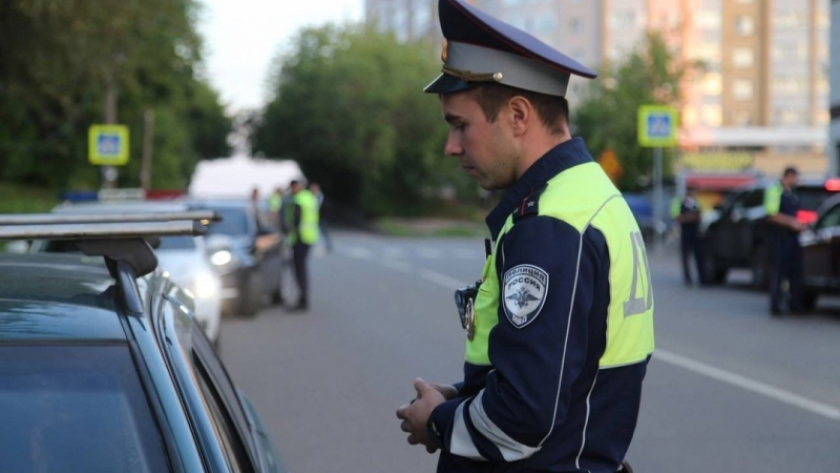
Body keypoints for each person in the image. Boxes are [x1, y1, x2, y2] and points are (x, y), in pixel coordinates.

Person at [395, 1, 655, 472]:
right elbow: (564, 378)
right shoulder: (589, 194)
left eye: (460, 126)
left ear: (517, 115)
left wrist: (436, 421)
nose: (451, 147)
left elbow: (523, 417)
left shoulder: (549, 224)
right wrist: (464, 396)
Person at [765, 167, 806, 315]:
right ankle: (775, 305)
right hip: (780, 237)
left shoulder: (793, 193)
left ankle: (794, 304)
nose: (796, 181)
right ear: (787, 176)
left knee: (795, 272)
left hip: (794, 238)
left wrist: (801, 224)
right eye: (794, 178)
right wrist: (792, 222)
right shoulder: (775, 190)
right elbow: (772, 214)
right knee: (779, 272)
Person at [284, 180, 320, 311]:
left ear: (295, 187)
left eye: (292, 188)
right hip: (310, 237)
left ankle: (302, 300)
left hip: (300, 238)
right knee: (302, 268)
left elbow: (296, 221)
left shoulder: (298, 200)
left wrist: (288, 230)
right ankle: (303, 298)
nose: (291, 191)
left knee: (299, 270)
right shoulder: (310, 198)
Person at [670, 189, 706, 286]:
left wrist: (692, 217)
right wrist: (688, 218)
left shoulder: (697, 203)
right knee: (686, 257)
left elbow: (700, 216)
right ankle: (688, 279)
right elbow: (676, 217)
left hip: (696, 233)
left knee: (699, 256)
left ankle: (702, 278)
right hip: (685, 233)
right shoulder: (679, 203)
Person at [308, 182, 333, 253]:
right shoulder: (311, 197)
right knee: (316, 232)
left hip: (322, 217)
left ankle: (328, 246)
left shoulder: (321, 197)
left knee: (323, 232)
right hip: (313, 218)